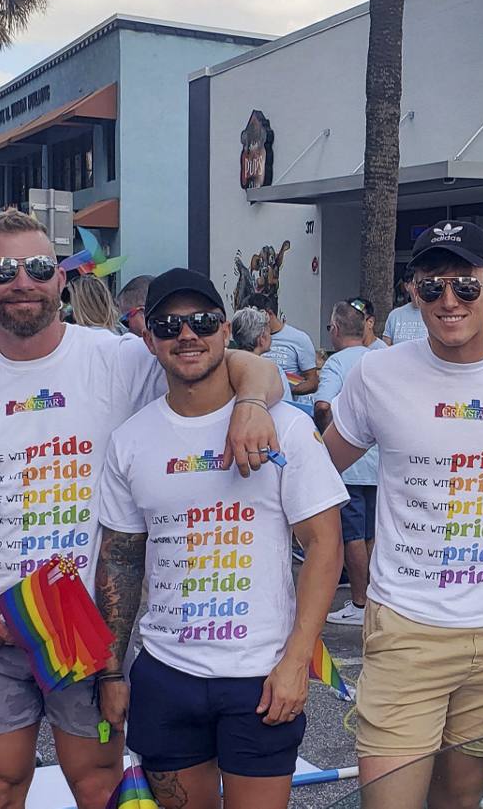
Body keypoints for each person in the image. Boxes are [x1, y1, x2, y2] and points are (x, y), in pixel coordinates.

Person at [0, 208, 284, 809]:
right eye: (2, 270)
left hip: (91, 629)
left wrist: (255, 404)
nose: (21, 281)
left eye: (36, 266)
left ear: (61, 278)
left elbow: (242, 363)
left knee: (99, 786)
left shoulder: (118, 358)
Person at [322, 220, 483, 809]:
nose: (448, 301)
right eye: (432, 287)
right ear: (413, 293)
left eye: (464, 286)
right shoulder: (376, 374)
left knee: (460, 801)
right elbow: (320, 473)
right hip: (408, 627)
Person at [93, 268, 347, 809]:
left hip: (260, 675)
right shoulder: (130, 442)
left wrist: (295, 662)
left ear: (225, 329)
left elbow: (325, 547)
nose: (188, 335)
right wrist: (112, 670)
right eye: (169, 324)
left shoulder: (286, 426)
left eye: (203, 321)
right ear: (148, 338)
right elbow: (119, 560)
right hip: (166, 672)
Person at [315, 301, 381, 626]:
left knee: (352, 534)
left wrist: (326, 436)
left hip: (349, 465)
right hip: (379, 463)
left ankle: (358, 602)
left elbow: (323, 403)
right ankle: (372, 598)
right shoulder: (380, 359)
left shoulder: (336, 363)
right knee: (371, 533)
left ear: (337, 330)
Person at [250, 292, 318, 396]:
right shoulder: (250, 337)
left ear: (269, 314)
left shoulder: (299, 339)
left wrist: (284, 390)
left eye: (256, 318)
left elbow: (312, 382)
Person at [231, 306, 293, 402]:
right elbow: (286, 407)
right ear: (262, 338)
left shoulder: (224, 367)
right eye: (269, 333)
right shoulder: (273, 371)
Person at [382, 267, 428, 345]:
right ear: (406, 286)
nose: (418, 288)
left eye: (422, 284)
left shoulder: (435, 313)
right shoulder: (395, 315)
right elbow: (385, 347)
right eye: (414, 284)